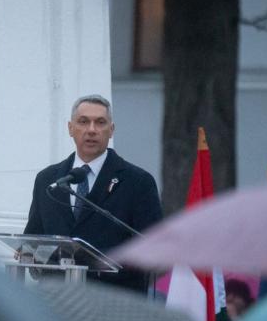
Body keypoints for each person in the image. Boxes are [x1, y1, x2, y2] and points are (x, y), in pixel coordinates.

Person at [24, 94, 163, 293]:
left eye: (100, 122)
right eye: (83, 122)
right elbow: (33, 237)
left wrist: (96, 261)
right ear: (70, 128)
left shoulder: (138, 182)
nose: (91, 130)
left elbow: (152, 245)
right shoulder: (48, 180)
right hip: (56, 301)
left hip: (113, 300)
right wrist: (28, 253)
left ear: (111, 130)